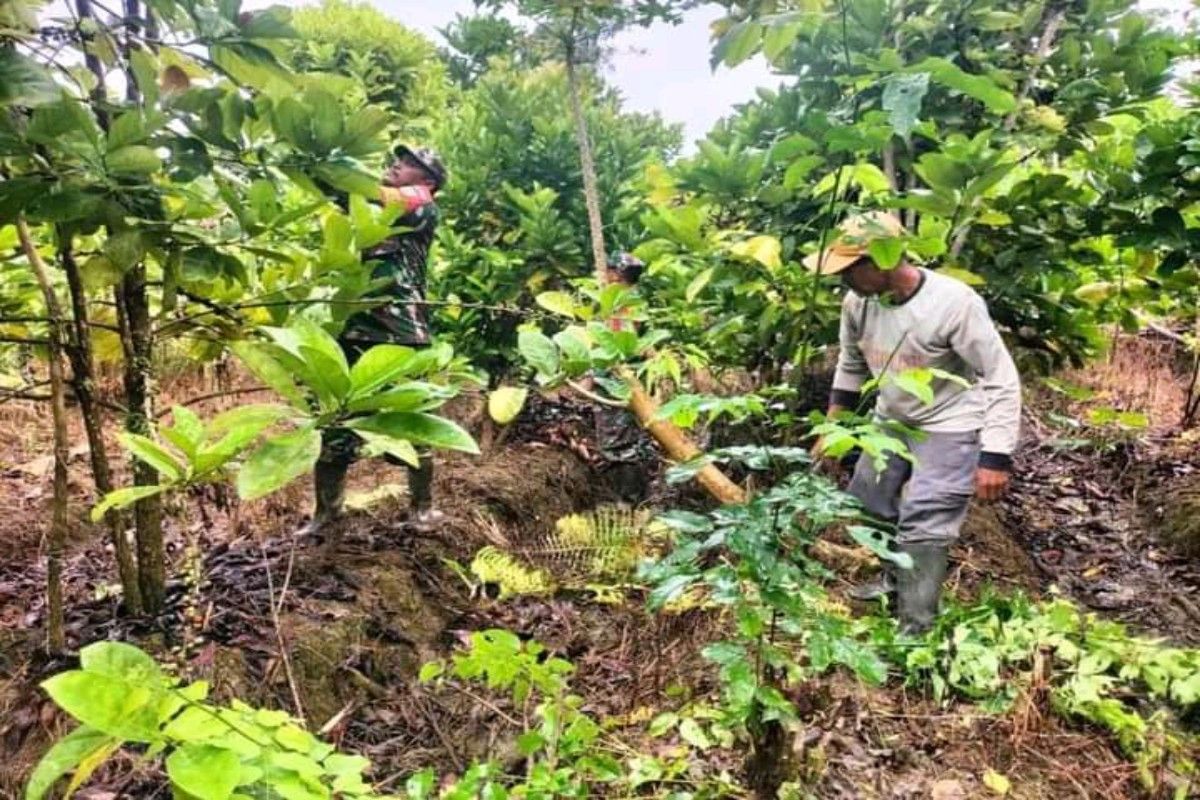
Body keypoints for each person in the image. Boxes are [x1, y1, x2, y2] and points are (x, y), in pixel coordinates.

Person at [806, 212, 1021, 634]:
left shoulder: (953, 303)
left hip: (950, 422)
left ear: (882, 261)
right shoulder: (857, 303)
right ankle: (892, 582)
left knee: (925, 519)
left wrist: (996, 455)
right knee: (867, 504)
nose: (844, 280)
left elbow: (1000, 377)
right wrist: (833, 429)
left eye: (851, 269)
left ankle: (916, 628)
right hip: (891, 418)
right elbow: (851, 365)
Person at [308, 144, 449, 537]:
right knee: (335, 420)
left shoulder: (421, 204)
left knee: (411, 423)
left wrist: (340, 171)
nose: (395, 166)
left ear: (427, 180)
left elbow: (366, 190)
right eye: (397, 160)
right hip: (357, 326)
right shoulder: (375, 212)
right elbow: (345, 193)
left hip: (400, 332)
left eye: (407, 164)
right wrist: (313, 165)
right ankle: (327, 513)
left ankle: (423, 510)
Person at [595, 252, 656, 503]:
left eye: (607, 271)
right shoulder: (634, 300)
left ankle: (628, 501)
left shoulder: (622, 304)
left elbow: (616, 346)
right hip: (630, 380)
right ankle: (637, 497)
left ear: (615, 274)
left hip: (618, 382)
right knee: (633, 440)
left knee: (618, 445)